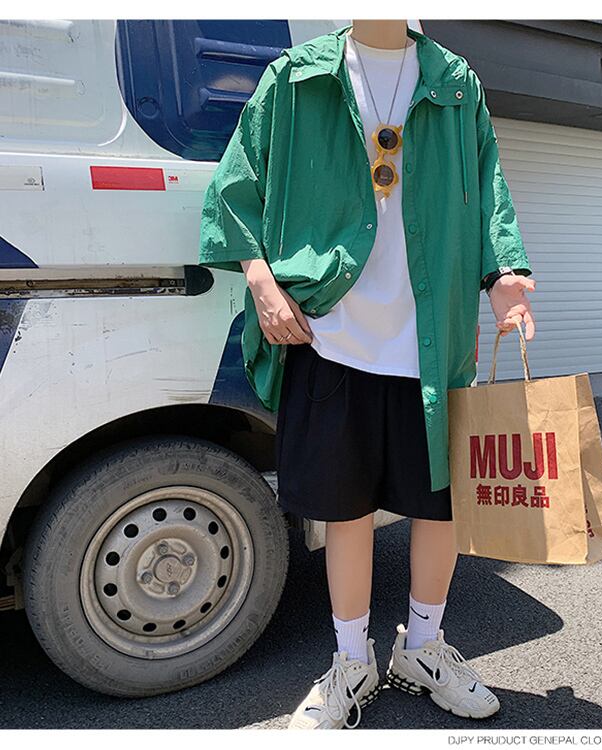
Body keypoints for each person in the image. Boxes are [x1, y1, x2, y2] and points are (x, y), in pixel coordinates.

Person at [199, 19, 537, 730]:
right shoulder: (297, 77)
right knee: (345, 509)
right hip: (331, 335)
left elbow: (490, 187)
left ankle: (423, 649)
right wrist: (261, 280)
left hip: (434, 340)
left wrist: (504, 273)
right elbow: (236, 184)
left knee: (440, 507)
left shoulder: (454, 82)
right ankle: (351, 660)